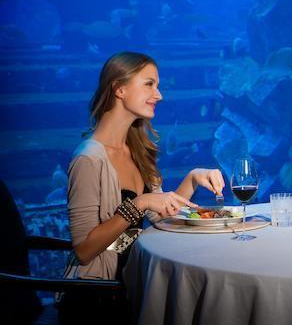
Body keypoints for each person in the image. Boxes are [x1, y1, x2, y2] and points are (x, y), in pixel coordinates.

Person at [61, 52, 225, 324]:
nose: (159, 95)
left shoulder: (137, 149)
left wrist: (193, 179)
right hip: (97, 297)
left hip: (134, 285)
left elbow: (159, 216)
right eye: (149, 84)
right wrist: (139, 203)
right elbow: (85, 250)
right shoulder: (88, 160)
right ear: (119, 89)